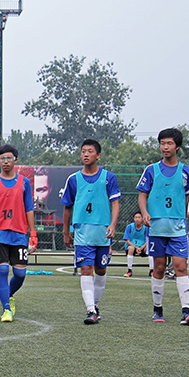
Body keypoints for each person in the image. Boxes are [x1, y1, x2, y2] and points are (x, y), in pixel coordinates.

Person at [137, 128, 189, 324]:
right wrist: (145, 213)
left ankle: (186, 311)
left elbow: (185, 195)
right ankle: (158, 309)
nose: (165, 147)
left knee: (181, 267)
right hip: (156, 228)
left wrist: (185, 211)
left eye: (169, 143)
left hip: (178, 228)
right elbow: (142, 194)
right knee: (159, 268)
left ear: (177, 146)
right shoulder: (151, 170)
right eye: (162, 143)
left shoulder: (186, 171)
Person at [61, 139, 121, 324]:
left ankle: (95, 306)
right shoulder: (73, 179)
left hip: (102, 232)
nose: (85, 154)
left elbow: (115, 203)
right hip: (82, 233)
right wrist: (66, 231)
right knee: (86, 269)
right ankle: (90, 311)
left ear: (98, 155)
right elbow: (67, 207)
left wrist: (112, 224)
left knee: (101, 269)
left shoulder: (109, 177)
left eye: (90, 151)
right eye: (83, 151)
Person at [0, 145, 38, 323]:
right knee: (2, 269)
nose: (5, 161)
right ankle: (6, 309)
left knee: (20, 274)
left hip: (19, 233)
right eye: (2, 158)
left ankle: (9, 294)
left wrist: (32, 233)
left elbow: (29, 208)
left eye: (9, 158)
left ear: (15, 160)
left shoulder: (24, 182)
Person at [123, 211, 151, 277]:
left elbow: (148, 240)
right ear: (134, 219)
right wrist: (136, 247)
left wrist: (141, 248)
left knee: (150, 248)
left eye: (139, 217)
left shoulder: (146, 228)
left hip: (142, 247)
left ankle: (152, 270)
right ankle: (129, 270)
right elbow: (127, 240)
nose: (137, 219)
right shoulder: (129, 227)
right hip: (132, 247)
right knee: (131, 248)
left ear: (142, 218)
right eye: (136, 217)